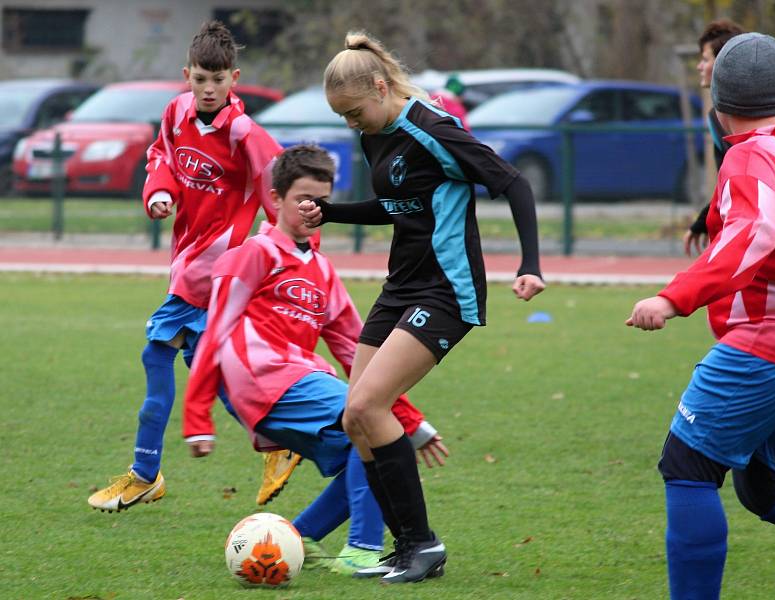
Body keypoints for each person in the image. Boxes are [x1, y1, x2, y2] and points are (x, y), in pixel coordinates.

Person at [299, 31, 546, 583]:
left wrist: (530, 263)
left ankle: (423, 545)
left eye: (354, 112)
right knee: (354, 418)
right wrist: (334, 213)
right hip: (399, 289)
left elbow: (515, 183)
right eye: (342, 117)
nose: (351, 125)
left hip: (446, 292)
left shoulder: (434, 128)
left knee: (368, 405)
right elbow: (399, 206)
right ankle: (408, 546)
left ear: (381, 87)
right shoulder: (376, 133)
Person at [182, 144, 448, 574]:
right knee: (366, 425)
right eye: (301, 199)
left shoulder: (322, 270)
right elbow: (214, 332)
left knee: (367, 444)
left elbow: (355, 352)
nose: (311, 209)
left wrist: (412, 421)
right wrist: (197, 418)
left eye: (320, 201)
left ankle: (296, 535)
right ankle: (363, 548)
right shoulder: (253, 255)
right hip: (264, 381)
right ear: (275, 199)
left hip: (301, 379)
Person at [627, 33, 775, 600]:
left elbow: (754, 232)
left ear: (720, 100)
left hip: (768, 340)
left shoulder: (750, 154)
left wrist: (674, 296)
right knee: (765, 486)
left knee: (688, 464)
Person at [88, 21, 286, 512]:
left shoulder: (244, 132)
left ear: (234, 78)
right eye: (200, 78)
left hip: (216, 271)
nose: (209, 89)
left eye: (218, 80)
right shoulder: (175, 112)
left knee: (162, 356)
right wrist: (159, 192)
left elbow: (280, 183)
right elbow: (163, 157)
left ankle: (145, 474)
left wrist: (287, 247)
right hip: (188, 262)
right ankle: (272, 440)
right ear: (187, 76)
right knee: (201, 370)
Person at [683, 18, 745, 256]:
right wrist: (703, 220)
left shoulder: (733, 118)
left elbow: (738, 185)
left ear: (723, 63)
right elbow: (727, 184)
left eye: (705, 59)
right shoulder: (719, 117)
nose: (700, 66)